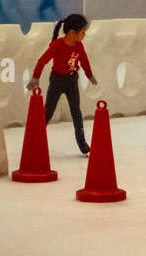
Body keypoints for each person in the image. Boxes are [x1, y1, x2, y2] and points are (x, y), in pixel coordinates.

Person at [28, 13, 96, 156]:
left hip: (72, 82)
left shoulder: (79, 46)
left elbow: (84, 61)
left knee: (76, 112)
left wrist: (89, 75)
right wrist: (35, 76)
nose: (84, 35)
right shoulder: (58, 45)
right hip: (57, 81)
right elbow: (43, 60)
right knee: (48, 112)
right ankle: (35, 139)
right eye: (83, 32)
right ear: (72, 33)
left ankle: (82, 143)